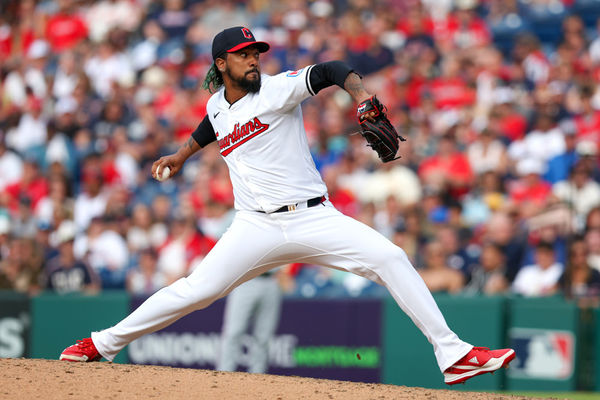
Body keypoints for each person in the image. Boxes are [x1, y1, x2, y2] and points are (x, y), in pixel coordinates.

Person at [59, 26, 514, 385]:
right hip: (254, 227)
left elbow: (334, 69)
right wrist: (181, 156)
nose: (253, 58)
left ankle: (453, 355)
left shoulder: (279, 89)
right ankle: (102, 344)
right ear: (222, 64)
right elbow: (211, 124)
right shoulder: (219, 105)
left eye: (256, 51)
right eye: (243, 54)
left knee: (391, 258)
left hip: (315, 216)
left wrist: (362, 97)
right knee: (196, 291)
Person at [217, 269, 283, 374]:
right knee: (234, 331)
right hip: (246, 279)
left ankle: (258, 377)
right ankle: (224, 374)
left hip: (271, 279)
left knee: (264, 336)